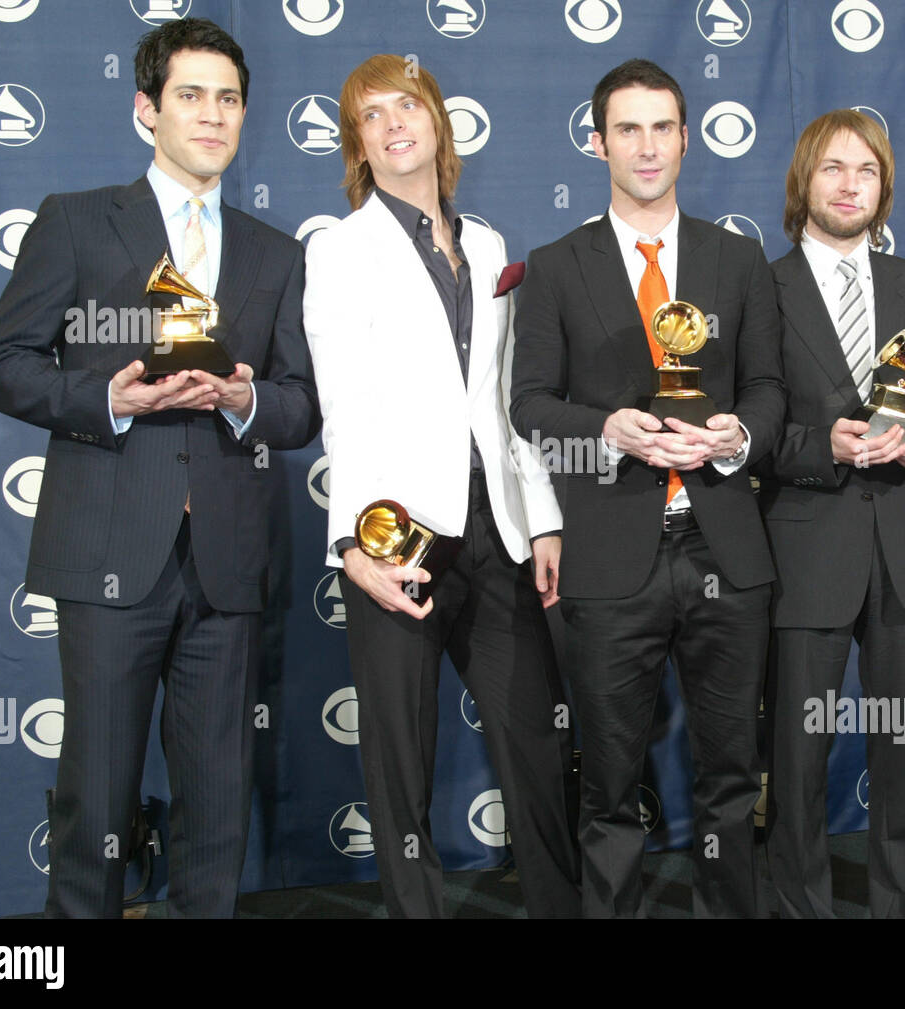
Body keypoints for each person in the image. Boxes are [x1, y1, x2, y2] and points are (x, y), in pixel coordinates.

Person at [0, 18, 320, 917]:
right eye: (191, 95)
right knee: (97, 795)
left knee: (216, 802)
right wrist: (109, 401)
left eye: (230, 99)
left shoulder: (276, 252)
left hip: (227, 563)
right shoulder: (78, 222)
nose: (213, 116)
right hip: (108, 550)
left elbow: (300, 404)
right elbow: (4, 365)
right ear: (146, 109)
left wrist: (244, 396)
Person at [302, 54, 580, 918]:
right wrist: (353, 541)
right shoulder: (339, 249)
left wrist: (541, 518)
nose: (391, 124)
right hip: (399, 536)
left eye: (405, 106)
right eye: (370, 116)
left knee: (533, 744)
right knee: (399, 759)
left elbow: (504, 402)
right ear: (358, 145)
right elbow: (341, 401)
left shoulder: (489, 244)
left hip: (496, 529)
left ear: (435, 121)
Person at [510, 58, 784, 918]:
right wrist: (606, 427)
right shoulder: (556, 264)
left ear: (686, 135)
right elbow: (528, 403)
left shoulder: (738, 260)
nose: (647, 145)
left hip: (726, 549)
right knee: (610, 783)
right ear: (597, 143)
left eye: (662, 126)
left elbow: (771, 390)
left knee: (733, 775)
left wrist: (737, 434)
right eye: (627, 128)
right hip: (610, 553)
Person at [757, 110, 905, 918]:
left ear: (883, 188)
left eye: (867, 171)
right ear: (804, 180)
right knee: (799, 755)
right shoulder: (760, 284)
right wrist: (825, 447)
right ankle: (797, 907)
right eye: (834, 169)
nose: (850, 185)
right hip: (805, 550)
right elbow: (750, 423)